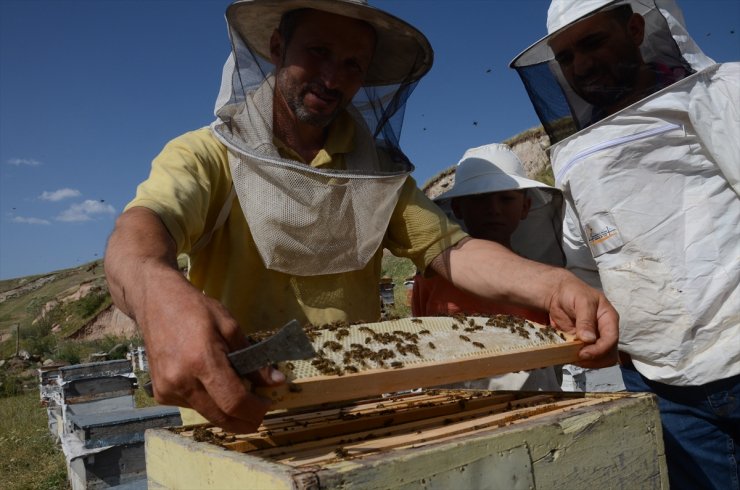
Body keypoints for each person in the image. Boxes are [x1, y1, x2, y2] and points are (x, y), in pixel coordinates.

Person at [105, 0, 618, 435]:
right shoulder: (204, 156)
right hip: (240, 411)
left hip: (361, 408)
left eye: (353, 64)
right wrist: (156, 292)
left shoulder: (375, 175)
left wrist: (553, 286)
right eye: (319, 53)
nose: (333, 78)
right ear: (277, 49)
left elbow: (452, 250)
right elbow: (141, 234)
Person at [510, 1, 739, 488]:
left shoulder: (718, 92)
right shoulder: (573, 154)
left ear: (635, 28)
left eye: (592, 42)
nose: (581, 66)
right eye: (566, 57)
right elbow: (587, 263)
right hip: (661, 384)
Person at [412, 143, 565, 391]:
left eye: (506, 199)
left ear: (525, 207)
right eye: (480, 199)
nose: (494, 209)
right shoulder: (431, 280)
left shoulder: (540, 280)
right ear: (459, 208)